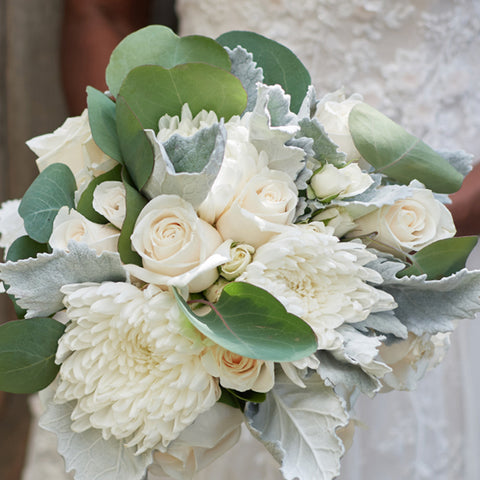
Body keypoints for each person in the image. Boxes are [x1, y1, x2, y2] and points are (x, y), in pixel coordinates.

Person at [24, 1, 480, 479]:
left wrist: (441, 218)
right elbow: (101, 11)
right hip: (184, 205)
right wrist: (136, 182)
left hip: (430, 235)